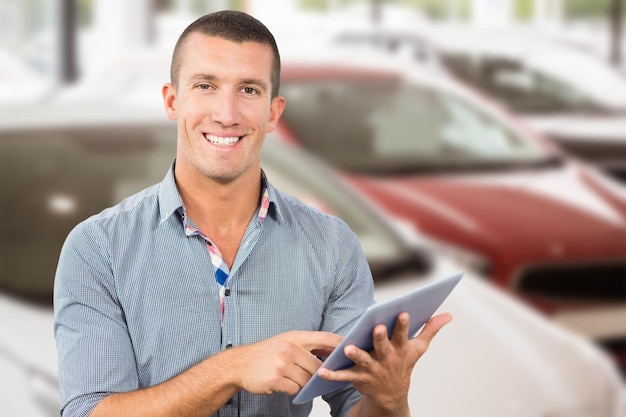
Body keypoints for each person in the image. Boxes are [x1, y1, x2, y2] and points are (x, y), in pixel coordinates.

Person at [53, 10, 452, 417]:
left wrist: (389, 398)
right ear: (173, 101)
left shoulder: (333, 246)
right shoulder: (97, 248)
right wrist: (232, 369)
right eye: (206, 85)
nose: (227, 113)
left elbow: (354, 404)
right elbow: (88, 412)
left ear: (273, 112)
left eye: (248, 90)